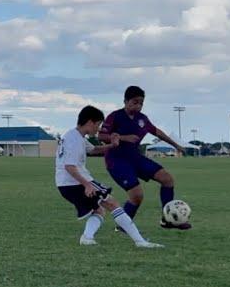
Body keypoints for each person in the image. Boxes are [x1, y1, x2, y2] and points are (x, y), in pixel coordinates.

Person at [55, 105, 164, 248]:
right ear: (90, 122)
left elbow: (93, 150)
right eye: (98, 124)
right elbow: (69, 166)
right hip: (75, 182)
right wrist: (87, 185)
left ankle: (87, 238)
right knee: (113, 204)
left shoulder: (74, 136)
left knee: (99, 210)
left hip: (65, 184)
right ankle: (140, 242)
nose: (99, 129)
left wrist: (112, 145)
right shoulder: (74, 139)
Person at [97, 86, 191, 230]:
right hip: (117, 161)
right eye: (135, 102)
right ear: (126, 101)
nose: (138, 106)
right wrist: (123, 138)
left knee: (167, 179)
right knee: (137, 195)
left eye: (141, 103)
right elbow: (101, 136)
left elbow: (157, 132)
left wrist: (176, 145)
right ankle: (122, 226)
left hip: (135, 158)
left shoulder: (142, 119)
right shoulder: (115, 116)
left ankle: (168, 220)